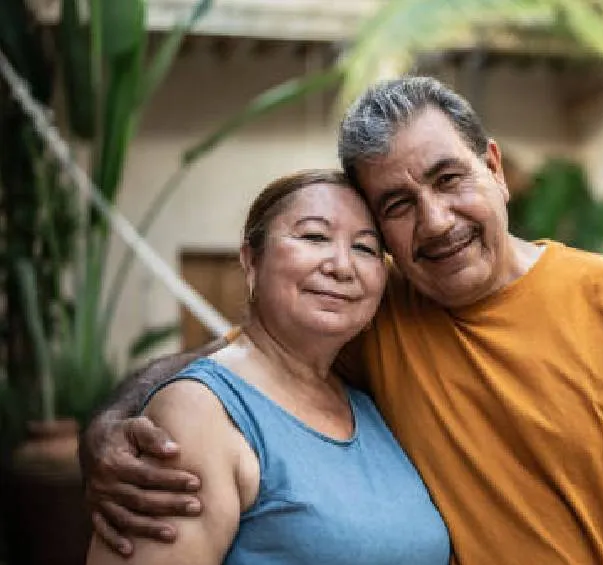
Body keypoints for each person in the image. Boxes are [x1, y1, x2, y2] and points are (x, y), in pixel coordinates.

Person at [81, 77, 603, 564]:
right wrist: (111, 425)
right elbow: (236, 367)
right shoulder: (371, 313)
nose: (436, 220)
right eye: (398, 204)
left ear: (494, 169)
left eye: (450, 178)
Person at [86, 169, 451, 565]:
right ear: (251, 261)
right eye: (314, 237)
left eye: (365, 249)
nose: (342, 266)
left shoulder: (367, 402)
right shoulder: (197, 414)